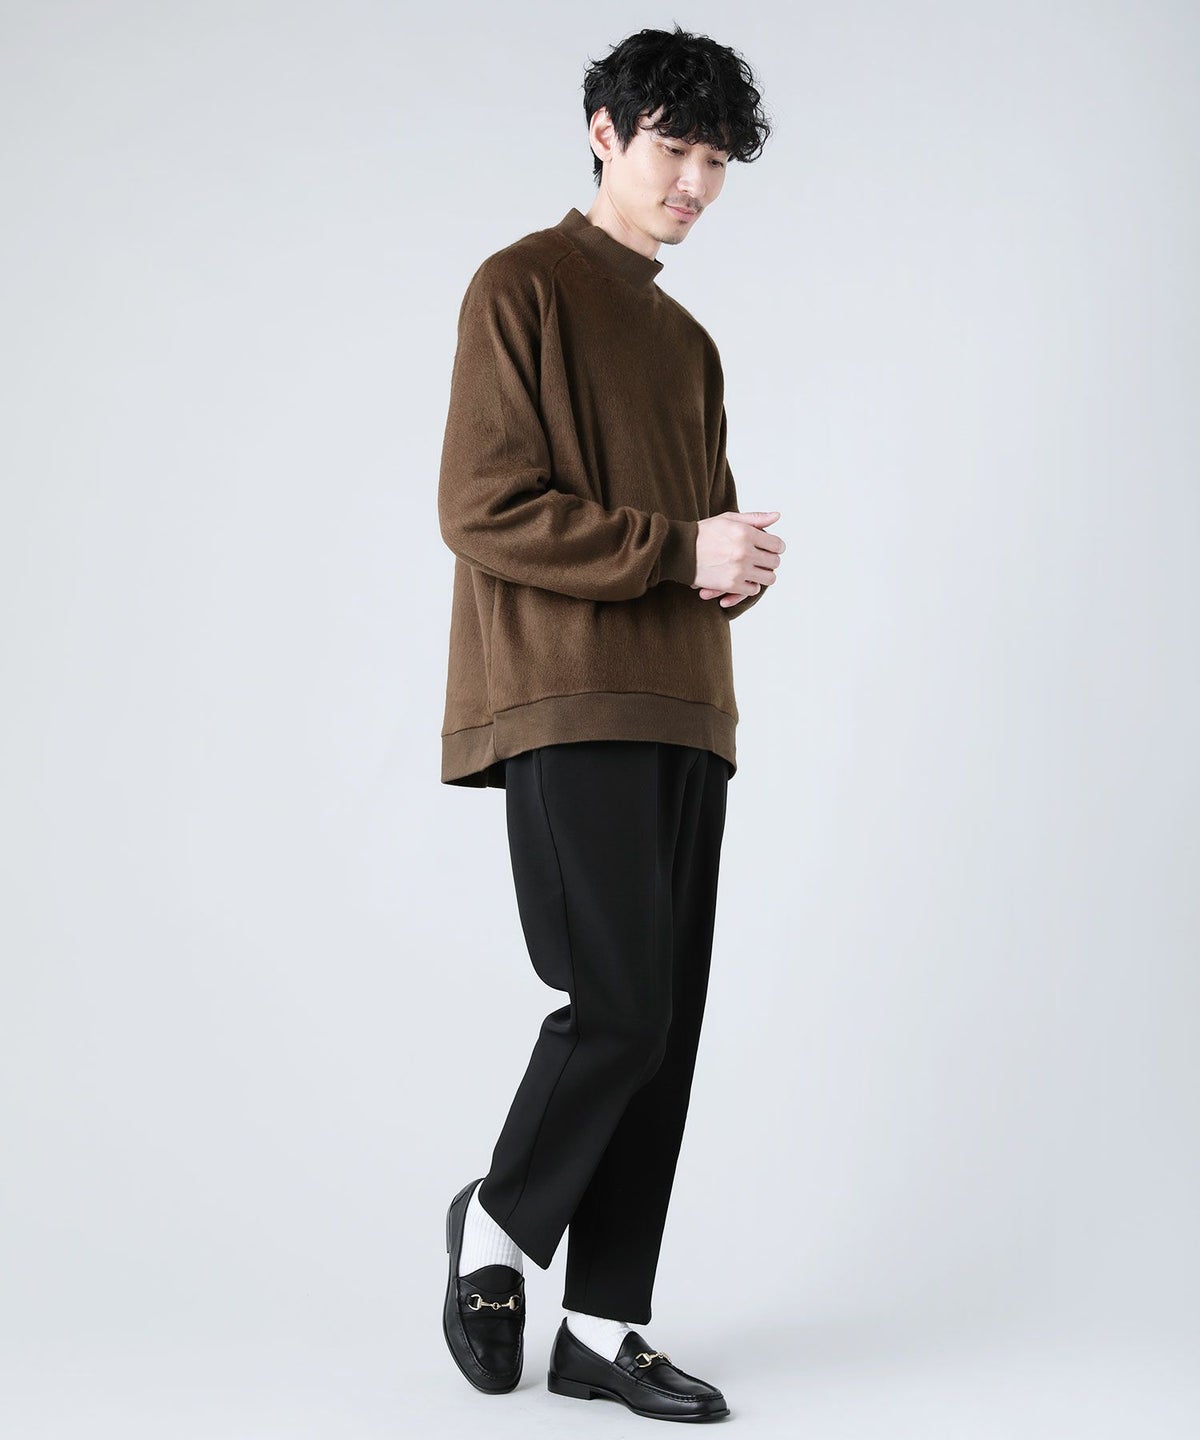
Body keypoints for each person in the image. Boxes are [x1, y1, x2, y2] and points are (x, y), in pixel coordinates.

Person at [437, 24, 782, 1423]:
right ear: (603, 132)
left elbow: (695, 531)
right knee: (619, 1010)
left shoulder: (689, 344)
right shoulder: (521, 285)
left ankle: (603, 1325)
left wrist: (734, 564)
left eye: (716, 160)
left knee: (667, 1031)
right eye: (672, 147)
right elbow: (483, 506)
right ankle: (497, 1223)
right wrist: (679, 550)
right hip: (568, 693)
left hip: (689, 706)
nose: (694, 181)